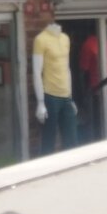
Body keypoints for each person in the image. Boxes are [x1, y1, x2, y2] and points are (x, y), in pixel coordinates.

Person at [32, 22, 77, 155]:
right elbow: (36, 72)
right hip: (50, 96)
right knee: (48, 140)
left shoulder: (65, 38)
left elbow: (67, 68)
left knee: (71, 140)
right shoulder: (41, 39)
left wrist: (70, 96)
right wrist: (40, 102)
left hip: (66, 96)